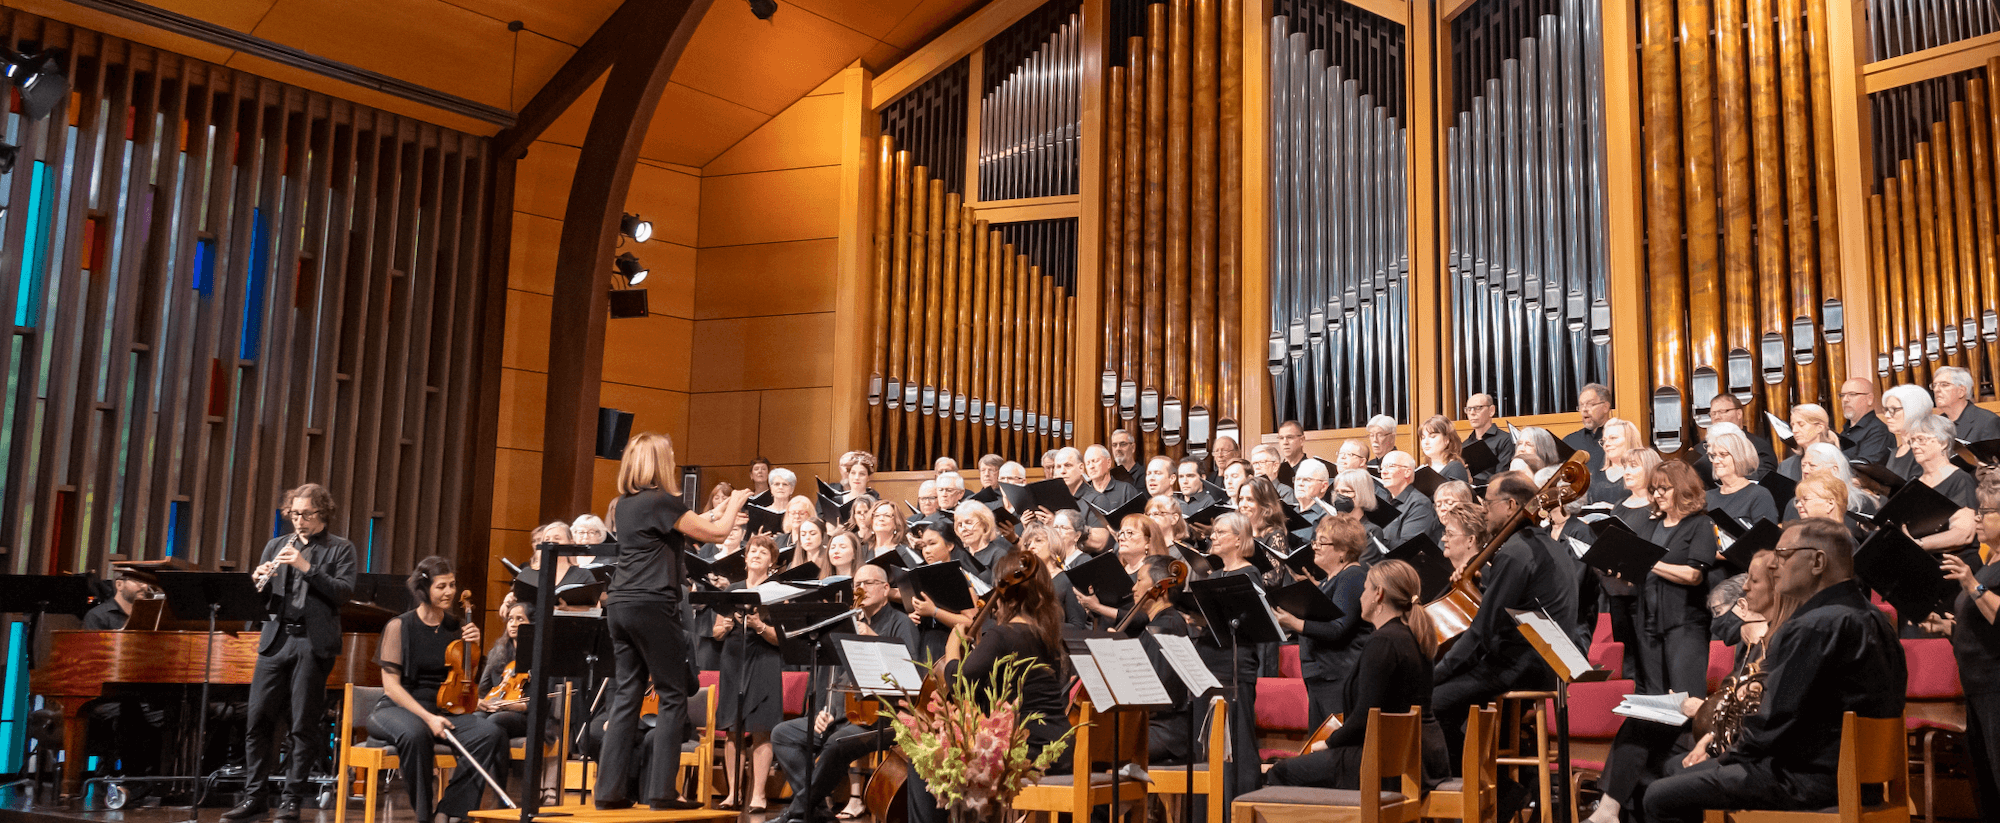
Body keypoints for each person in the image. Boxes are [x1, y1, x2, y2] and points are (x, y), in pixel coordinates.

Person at [1642, 518, 1907, 823]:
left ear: (1818, 562)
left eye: (1784, 554)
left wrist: (1724, 756)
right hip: (1860, 779)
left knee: (1660, 795)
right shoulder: (1875, 619)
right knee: (1681, 771)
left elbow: (1775, 720)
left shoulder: (1814, 625)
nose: (1777, 565)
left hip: (1807, 780)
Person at [595, 432, 748, 811]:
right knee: (673, 692)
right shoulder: (663, 500)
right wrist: (739, 502)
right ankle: (662, 790)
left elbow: (685, 525)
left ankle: (609, 791)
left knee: (628, 693)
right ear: (657, 463)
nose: (675, 461)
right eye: (670, 456)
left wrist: (716, 509)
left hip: (620, 604)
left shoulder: (626, 504)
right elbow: (717, 533)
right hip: (651, 602)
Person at [1587, 549, 1798, 823]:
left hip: (1746, 745)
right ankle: (1609, 812)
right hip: (1723, 733)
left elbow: (1755, 710)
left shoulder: (1779, 641)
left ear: (1744, 607)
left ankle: (1609, 812)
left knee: (1660, 762)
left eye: (1753, 583)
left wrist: (1701, 709)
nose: (1746, 586)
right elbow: (1733, 699)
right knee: (1644, 736)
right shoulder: (1751, 644)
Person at [906, 551, 1074, 823]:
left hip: (1027, 749)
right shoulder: (1047, 635)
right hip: (1060, 745)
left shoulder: (1002, 634)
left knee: (922, 759)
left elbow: (958, 686)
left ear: (1003, 591)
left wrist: (952, 648)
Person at [225, 483, 358, 823]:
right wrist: (259, 582)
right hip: (275, 641)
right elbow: (262, 602)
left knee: (302, 725)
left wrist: (306, 567)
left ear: (323, 514)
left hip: (312, 644)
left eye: (307, 514)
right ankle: (255, 797)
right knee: (257, 720)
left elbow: (343, 593)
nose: (299, 521)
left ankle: (291, 801)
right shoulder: (275, 545)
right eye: (294, 514)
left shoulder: (340, 549)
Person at [1265, 559, 1451, 790]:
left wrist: (1329, 744)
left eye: (1365, 589)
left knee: (1280, 773)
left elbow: (1366, 717)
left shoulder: (1383, 642)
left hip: (1389, 761)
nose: (1360, 596)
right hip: (1423, 756)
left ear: (1378, 594)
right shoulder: (1413, 636)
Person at [1432, 472, 1578, 763]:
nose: (1484, 510)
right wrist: (1480, 585)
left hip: (1522, 665)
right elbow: (1513, 608)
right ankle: (1495, 785)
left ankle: (1488, 787)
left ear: (1511, 505)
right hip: (1547, 663)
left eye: (1488, 503)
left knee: (1429, 704)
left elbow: (1482, 632)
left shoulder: (1515, 552)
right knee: (1451, 702)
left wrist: (1436, 674)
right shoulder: (1547, 545)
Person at [769, 562, 919, 823]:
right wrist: (825, 711)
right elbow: (834, 677)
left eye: (869, 583)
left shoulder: (901, 623)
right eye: (857, 584)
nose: (862, 589)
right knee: (782, 734)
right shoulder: (847, 623)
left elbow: (910, 679)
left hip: (885, 717)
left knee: (836, 743)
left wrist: (873, 638)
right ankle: (818, 811)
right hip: (846, 714)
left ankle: (798, 810)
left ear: (886, 589)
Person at [369, 557, 510, 823]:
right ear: (425, 589)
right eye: (441, 586)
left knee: (488, 733)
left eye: (452, 585)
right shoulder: (399, 626)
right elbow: (391, 686)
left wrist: (473, 650)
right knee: (415, 734)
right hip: (399, 708)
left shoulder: (456, 627)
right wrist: (428, 717)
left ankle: (449, 811)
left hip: (445, 708)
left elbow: (464, 679)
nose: (449, 592)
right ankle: (424, 815)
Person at [1273, 518, 1372, 728]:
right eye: (1315, 541)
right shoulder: (1331, 579)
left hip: (1338, 676)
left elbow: (1339, 629)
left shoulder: (1352, 576)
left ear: (1343, 550)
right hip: (1323, 676)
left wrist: (1295, 623)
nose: (1315, 547)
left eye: (1322, 542)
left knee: (1332, 742)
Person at [1196, 513, 1269, 794]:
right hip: (1210, 660)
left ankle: (1235, 803)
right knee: (1210, 741)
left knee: (1235, 739)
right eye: (1213, 532)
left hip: (1234, 664)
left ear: (1239, 539)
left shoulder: (1249, 574)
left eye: (1220, 532)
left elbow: (1253, 623)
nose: (1213, 537)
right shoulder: (1213, 576)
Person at [1940, 483, 2000, 819]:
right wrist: (1947, 627)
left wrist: (1971, 585)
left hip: (1996, 684)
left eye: (1986, 513)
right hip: (1976, 685)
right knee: (1984, 779)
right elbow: (1981, 627)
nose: (1977, 519)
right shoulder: (1989, 559)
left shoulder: (1980, 573)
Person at [716, 536, 784, 812]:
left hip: (765, 659)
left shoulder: (777, 591)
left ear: (772, 561)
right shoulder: (731, 590)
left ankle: (758, 794)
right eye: (752, 550)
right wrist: (725, 625)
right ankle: (733, 793)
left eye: (763, 551)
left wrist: (758, 625)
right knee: (733, 730)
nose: (756, 554)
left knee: (761, 730)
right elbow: (715, 632)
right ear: (745, 558)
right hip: (733, 659)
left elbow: (782, 638)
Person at [1640, 461, 1718, 697]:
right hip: (1648, 625)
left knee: (1687, 697)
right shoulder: (1650, 525)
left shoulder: (1701, 524)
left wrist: (1651, 563)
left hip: (1685, 625)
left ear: (1683, 488)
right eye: (1654, 489)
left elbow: (1694, 575)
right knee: (1656, 701)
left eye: (1665, 488)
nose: (1658, 494)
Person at [1904, 413, 1982, 555]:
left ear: (1943, 443)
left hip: (1954, 564)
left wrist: (1919, 544)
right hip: (1923, 561)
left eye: (1921, 439)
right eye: (1912, 440)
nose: (1914, 446)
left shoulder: (1961, 479)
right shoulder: (1914, 483)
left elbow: (1964, 534)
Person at [1706, 423, 1781, 528]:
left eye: (1722, 455)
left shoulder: (1759, 495)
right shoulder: (1707, 498)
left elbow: (1767, 539)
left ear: (1738, 456)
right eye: (1713, 455)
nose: (1716, 461)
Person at [1705, 394, 1777, 479]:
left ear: (1739, 414)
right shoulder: (1702, 448)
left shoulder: (1759, 445)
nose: (1716, 417)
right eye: (1713, 414)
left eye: (1722, 412)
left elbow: (1766, 478)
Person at [1379, 450, 1441, 547]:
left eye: (1390, 466)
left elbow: (1409, 548)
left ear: (1407, 472)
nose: (1384, 472)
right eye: (1382, 468)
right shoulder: (1383, 501)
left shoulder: (1420, 504)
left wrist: (1373, 540)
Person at [1881, 383, 1935, 480]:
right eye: (1886, 410)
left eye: (1893, 409)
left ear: (1914, 410)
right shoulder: (1895, 452)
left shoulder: (1924, 450)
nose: (1887, 415)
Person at [1934, 366, 2000, 442]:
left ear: (1961, 391)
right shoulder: (1936, 424)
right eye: (1934, 385)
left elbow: (1991, 454)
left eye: (1944, 384)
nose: (1936, 389)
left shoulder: (1988, 421)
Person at [1838, 378, 1896, 464]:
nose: (1845, 400)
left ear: (1869, 399)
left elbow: (1864, 468)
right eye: (1842, 395)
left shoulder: (1879, 431)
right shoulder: (1846, 430)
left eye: (1852, 394)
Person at [1774, 404, 1839, 480]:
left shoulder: (1836, 461)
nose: (1794, 430)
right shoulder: (1785, 466)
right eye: (1792, 425)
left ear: (1819, 427)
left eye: (1801, 424)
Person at [1461, 393, 1515, 484]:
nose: (1472, 413)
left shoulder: (1505, 440)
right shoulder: (1465, 444)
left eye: (1478, 408)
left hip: (1495, 492)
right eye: (1468, 409)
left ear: (1491, 411)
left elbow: (1502, 476)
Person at [951, 501, 1007, 581]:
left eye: (969, 523)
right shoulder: (958, 555)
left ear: (984, 524)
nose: (963, 529)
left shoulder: (998, 554)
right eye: (960, 525)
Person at [84, 569, 156, 629]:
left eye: (146, 582)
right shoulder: (97, 616)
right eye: (138, 581)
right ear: (119, 585)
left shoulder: (149, 615)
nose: (144, 586)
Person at [1568, 383, 1613, 470]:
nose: (1584, 409)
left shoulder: (1621, 437)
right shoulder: (1570, 441)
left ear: (1606, 407)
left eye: (1590, 404)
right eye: (1581, 405)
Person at [1418, 415, 1470, 484]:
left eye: (1432, 437)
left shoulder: (1455, 468)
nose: (1425, 442)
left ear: (1446, 440)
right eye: (1423, 437)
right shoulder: (1422, 470)